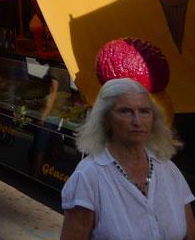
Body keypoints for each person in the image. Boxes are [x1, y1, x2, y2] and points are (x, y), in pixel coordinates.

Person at [60, 77, 195, 240]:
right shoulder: (88, 177)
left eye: (144, 111)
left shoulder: (167, 169)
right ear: (106, 119)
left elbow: (190, 233)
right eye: (125, 111)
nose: (137, 121)